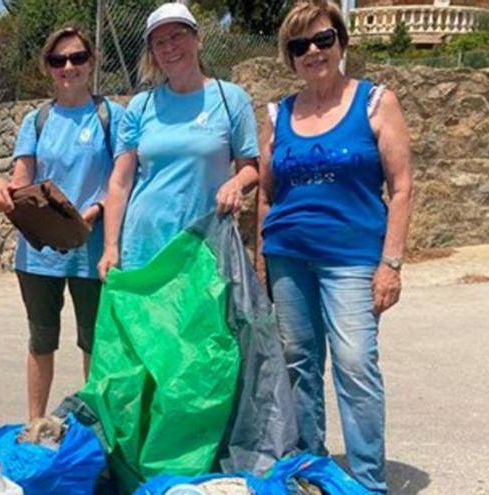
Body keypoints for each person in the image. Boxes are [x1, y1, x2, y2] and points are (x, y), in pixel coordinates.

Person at [258, 1, 414, 492]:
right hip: (287, 254)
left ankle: (368, 481)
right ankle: (310, 467)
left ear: (341, 42)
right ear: (290, 56)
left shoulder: (375, 101)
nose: (313, 52)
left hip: (352, 257)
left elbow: (403, 186)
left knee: (354, 364)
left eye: (322, 40)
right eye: (300, 45)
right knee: (299, 364)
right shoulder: (277, 112)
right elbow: (265, 194)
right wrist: (261, 259)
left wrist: (390, 263)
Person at [0, 25, 123, 420]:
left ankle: (96, 427)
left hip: (92, 248)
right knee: (41, 341)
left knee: (94, 344)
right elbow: (20, 182)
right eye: (58, 59)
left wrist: (93, 211)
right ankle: (35, 424)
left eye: (78, 57)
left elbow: (123, 179)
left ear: (91, 62)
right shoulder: (37, 120)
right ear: (48, 67)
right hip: (39, 253)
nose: (68, 66)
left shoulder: (110, 115)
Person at [98, 2, 260, 279]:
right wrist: (110, 246)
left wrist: (235, 183)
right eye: (159, 42)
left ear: (198, 39)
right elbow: (120, 181)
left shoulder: (231, 99)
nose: (169, 47)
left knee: (203, 323)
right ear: (153, 53)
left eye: (178, 36)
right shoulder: (140, 106)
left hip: (204, 245)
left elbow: (252, 168)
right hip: (143, 245)